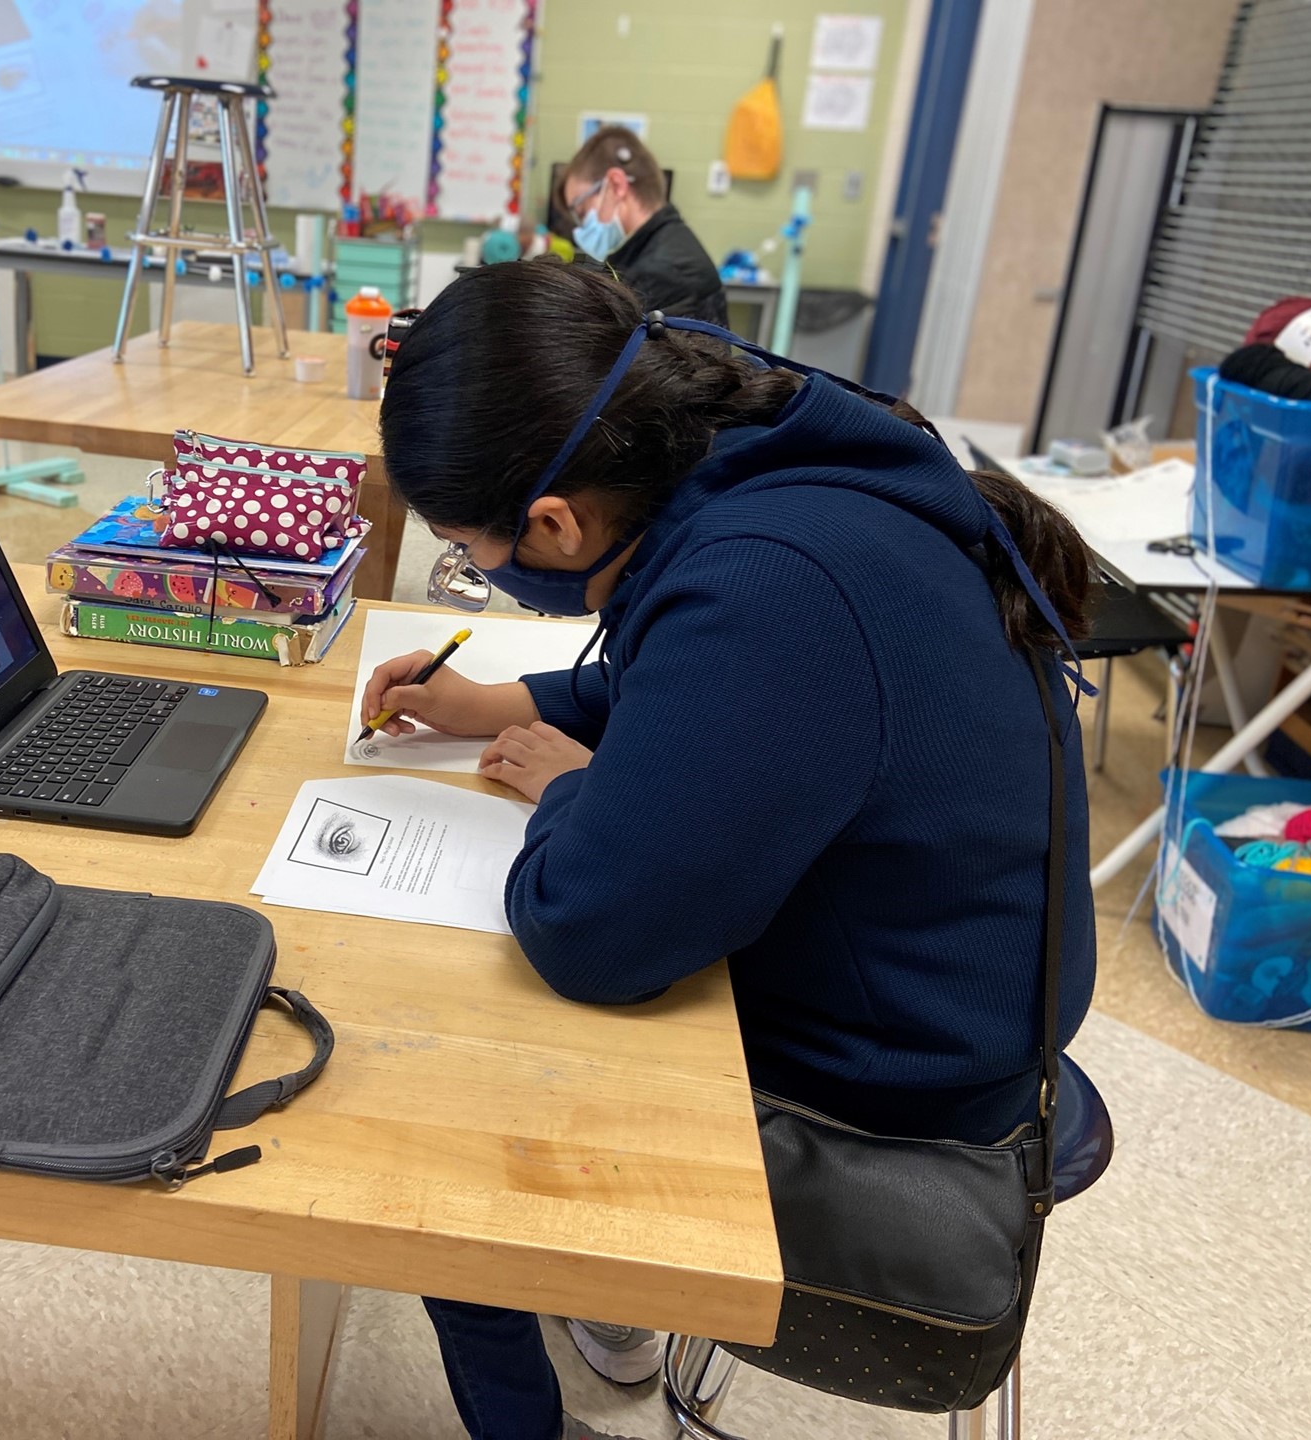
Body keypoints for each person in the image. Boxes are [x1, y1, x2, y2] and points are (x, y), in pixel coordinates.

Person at [360, 259, 1096, 1440]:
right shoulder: (754, 468)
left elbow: (594, 932)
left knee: (431, 1114)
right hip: (939, 995)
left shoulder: (772, 582)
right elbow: (711, 696)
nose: (476, 571)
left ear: (552, 524)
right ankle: (602, 1302)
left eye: (465, 549)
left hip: (887, 1096)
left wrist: (573, 790)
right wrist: (503, 704)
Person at [558, 126, 727, 327]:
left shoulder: (663, 272)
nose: (580, 229)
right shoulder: (656, 248)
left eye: (582, 211)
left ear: (617, 185)